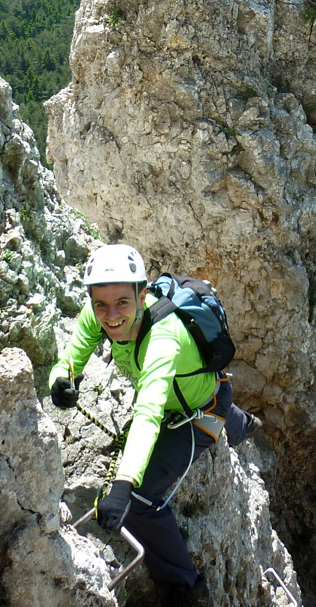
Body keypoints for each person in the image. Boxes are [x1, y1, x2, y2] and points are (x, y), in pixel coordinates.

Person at [49, 244, 259, 607]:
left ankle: (186, 587)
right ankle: (240, 423)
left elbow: (147, 413)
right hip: (179, 396)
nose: (111, 315)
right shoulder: (98, 309)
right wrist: (61, 379)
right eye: (101, 304)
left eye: (122, 304)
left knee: (141, 501)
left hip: (197, 414)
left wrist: (122, 486)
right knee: (194, 392)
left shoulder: (164, 338)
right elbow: (74, 353)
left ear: (141, 296)